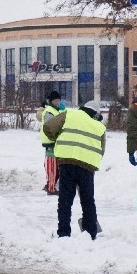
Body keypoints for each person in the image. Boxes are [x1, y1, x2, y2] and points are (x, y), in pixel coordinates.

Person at [42, 100, 106, 240]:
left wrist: (59, 137)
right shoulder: (99, 126)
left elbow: (48, 128)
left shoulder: (68, 114)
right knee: (88, 200)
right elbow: (101, 150)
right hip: (87, 167)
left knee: (65, 199)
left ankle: (64, 233)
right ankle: (91, 232)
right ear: (96, 114)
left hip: (67, 162)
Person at [38, 91, 65, 195]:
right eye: (55, 100)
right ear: (51, 101)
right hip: (51, 142)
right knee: (52, 166)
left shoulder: (56, 111)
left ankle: (50, 185)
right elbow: (50, 128)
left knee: (55, 166)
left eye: (59, 100)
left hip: (55, 142)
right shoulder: (49, 111)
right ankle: (51, 188)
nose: (58, 102)